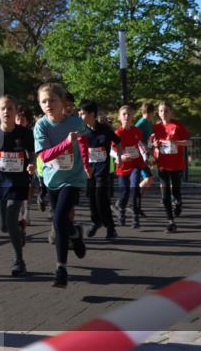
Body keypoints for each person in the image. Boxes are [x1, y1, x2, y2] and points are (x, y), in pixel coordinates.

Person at [33, 83, 90, 288]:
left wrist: (85, 159)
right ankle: (75, 233)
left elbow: (84, 137)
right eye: (44, 101)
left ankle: (61, 269)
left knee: (58, 220)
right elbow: (44, 155)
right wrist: (66, 143)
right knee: (63, 223)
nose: (48, 105)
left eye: (52, 100)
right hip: (52, 179)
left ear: (62, 102)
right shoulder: (41, 126)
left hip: (73, 178)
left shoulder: (75, 122)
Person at [0, 95, 36, 276]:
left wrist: (31, 164)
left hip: (18, 182)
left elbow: (32, 154)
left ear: (15, 111)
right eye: (3, 108)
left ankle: (18, 260)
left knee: (11, 217)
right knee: (4, 226)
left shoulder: (25, 133)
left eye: (10, 108)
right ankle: (19, 229)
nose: (6, 111)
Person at [77, 100, 120, 241]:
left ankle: (111, 228)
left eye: (82, 113)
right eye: (79, 113)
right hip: (88, 171)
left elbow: (118, 141)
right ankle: (96, 222)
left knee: (101, 198)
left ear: (92, 114)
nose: (80, 116)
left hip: (103, 171)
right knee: (91, 200)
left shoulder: (105, 130)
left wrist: (119, 156)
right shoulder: (81, 131)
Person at [150, 101, 191, 233]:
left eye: (166, 110)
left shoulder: (178, 125)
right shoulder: (156, 127)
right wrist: (155, 145)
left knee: (176, 192)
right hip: (162, 164)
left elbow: (189, 142)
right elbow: (152, 144)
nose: (163, 113)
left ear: (171, 112)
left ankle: (178, 204)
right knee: (165, 195)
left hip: (177, 164)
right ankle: (171, 222)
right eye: (161, 111)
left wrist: (176, 142)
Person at [115, 105, 148, 228]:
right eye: (124, 114)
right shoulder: (118, 133)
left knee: (134, 188)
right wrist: (120, 157)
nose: (127, 116)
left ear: (133, 116)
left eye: (129, 114)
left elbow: (139, 145)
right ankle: (121, 210)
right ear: (119, 117)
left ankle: (135, 216)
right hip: (122, 166)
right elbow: (111, 150)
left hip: (135, 164)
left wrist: (144, 157)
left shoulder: (136, 131)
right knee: (125, 192)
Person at [133, 103, 157, 210]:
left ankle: (137, 205)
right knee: (148, 179)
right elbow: (134, 135)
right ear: (151, 112)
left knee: (149, 179)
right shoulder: (142, 123)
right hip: (139, 156)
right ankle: (133, 200)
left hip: (145, 155)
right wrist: (142, 146)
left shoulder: (147, 122)